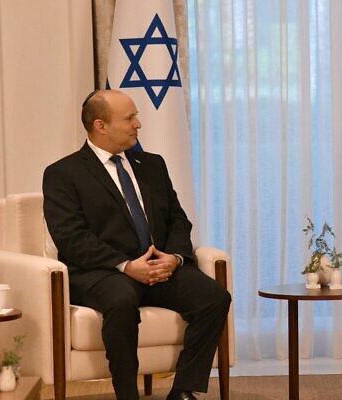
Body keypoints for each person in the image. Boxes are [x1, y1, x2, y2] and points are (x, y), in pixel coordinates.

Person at [43, 89, 231, 400]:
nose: (138, 124)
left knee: (214, 298)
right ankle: (127, 395)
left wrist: (174, 257)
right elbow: (71, 237)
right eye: (130, 118)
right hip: (102, 272)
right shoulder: (64, 174)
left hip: (158, 267)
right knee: (120, 302)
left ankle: (183, 390)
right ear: (101, 125)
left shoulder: (152, 164)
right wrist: (127, 266)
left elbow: (177, 219)